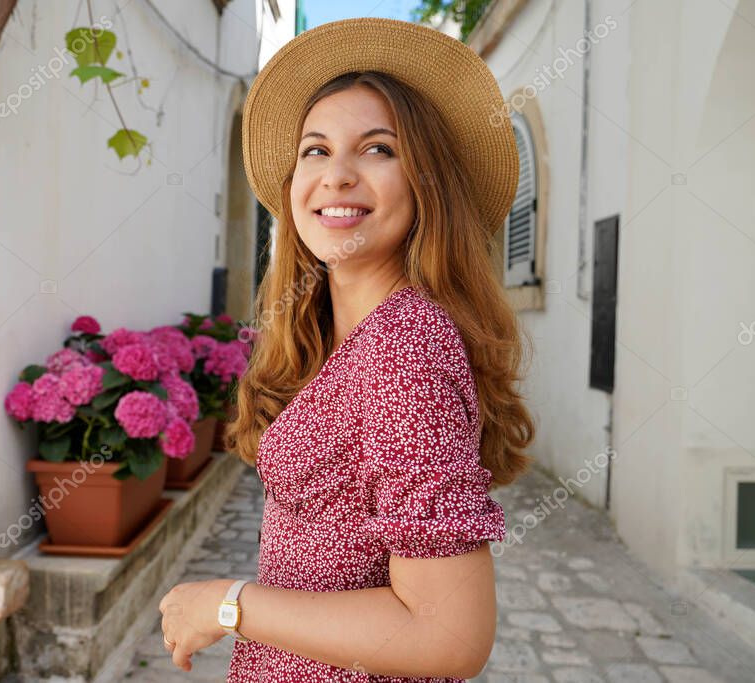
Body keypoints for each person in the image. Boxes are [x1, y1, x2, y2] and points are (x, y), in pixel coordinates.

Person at [157, 17, 535, 682]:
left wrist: (226, 604)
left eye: (378, 149)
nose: (337, 175)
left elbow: (448, 633)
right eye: (316, 150)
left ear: (427, 183)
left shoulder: (403, 349)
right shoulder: (340, 338)